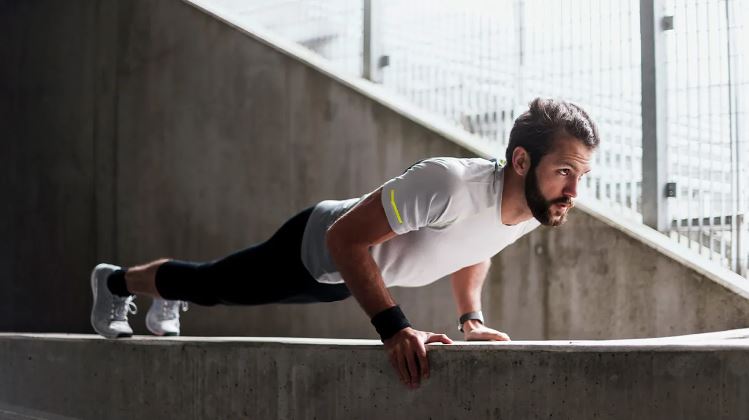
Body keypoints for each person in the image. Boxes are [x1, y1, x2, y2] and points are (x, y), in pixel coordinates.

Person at [90, 97, 599, 389]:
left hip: (349, 278)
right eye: (564, 172)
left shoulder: (535, 207)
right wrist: (394, 329)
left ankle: (167, 292)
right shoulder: (447, 184)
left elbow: (475, 247)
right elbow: (344, 238)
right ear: (521, 162)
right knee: (213, 285)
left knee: (213, 284)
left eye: (582, 176)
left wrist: (472, 320)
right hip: (317, 247)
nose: (574, 191)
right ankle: (114, 282)